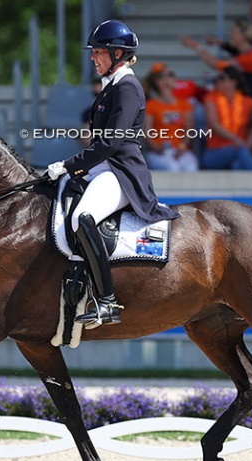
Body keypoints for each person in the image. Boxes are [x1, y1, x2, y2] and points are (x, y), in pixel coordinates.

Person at [44, 20, 180, 328]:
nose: (93, 58)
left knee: (83, 217)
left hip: (120, 173)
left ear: (118, 53)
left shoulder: (128, 87)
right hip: (102, 169)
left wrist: (68, 165)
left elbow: (109, 143)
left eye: (98, 52)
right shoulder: (112, 87)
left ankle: (106, 302)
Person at [181, 20, 252, 108]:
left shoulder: (250, 58)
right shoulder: (250, 53)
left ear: (243, 36)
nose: (230, 34)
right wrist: (218, 42)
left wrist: (197, 47)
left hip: (248, 108)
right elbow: (233, 50)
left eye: (234, 32)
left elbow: (217, 64)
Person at [143, 62, 200, 172]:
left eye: (172, 75)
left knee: (191, 167)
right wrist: (157, 148)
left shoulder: (185, 104)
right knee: (172, 167)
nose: (173, 78)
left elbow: (190, 129)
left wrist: (182, 148)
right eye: (168, 75)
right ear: (158, 81)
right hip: (160, 152)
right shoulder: (151, 105)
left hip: (181, 151)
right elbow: (147, 132)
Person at [201, 66, 252, 170]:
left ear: (234, 82)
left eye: (222, 78)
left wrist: (250, 142)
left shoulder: (248, 102)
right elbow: (214, 124)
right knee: (239, 150)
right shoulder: (211, 99)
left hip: (241, 150)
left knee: (237, 165)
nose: (218, 81)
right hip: (215, 151)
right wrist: (236, 140)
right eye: (217, 78)